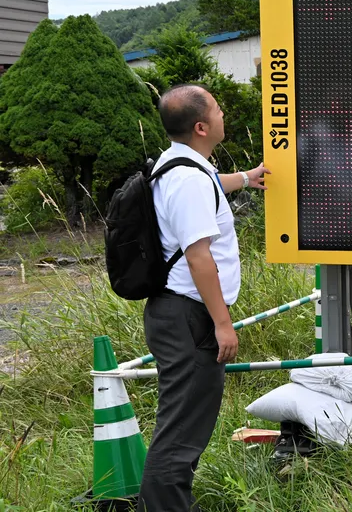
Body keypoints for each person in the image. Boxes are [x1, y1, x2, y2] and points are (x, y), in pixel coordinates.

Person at [138, 83, 269, 511]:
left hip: (176, 314)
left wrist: (249, 178)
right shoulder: (188, 181)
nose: (223, 112)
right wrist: (223, 323)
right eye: (216, 107)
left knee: (185, 424)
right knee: (180, 432)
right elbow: (199, 259)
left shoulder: (178, 165)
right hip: (190, 318)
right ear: (200, 126)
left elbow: (215, 183)